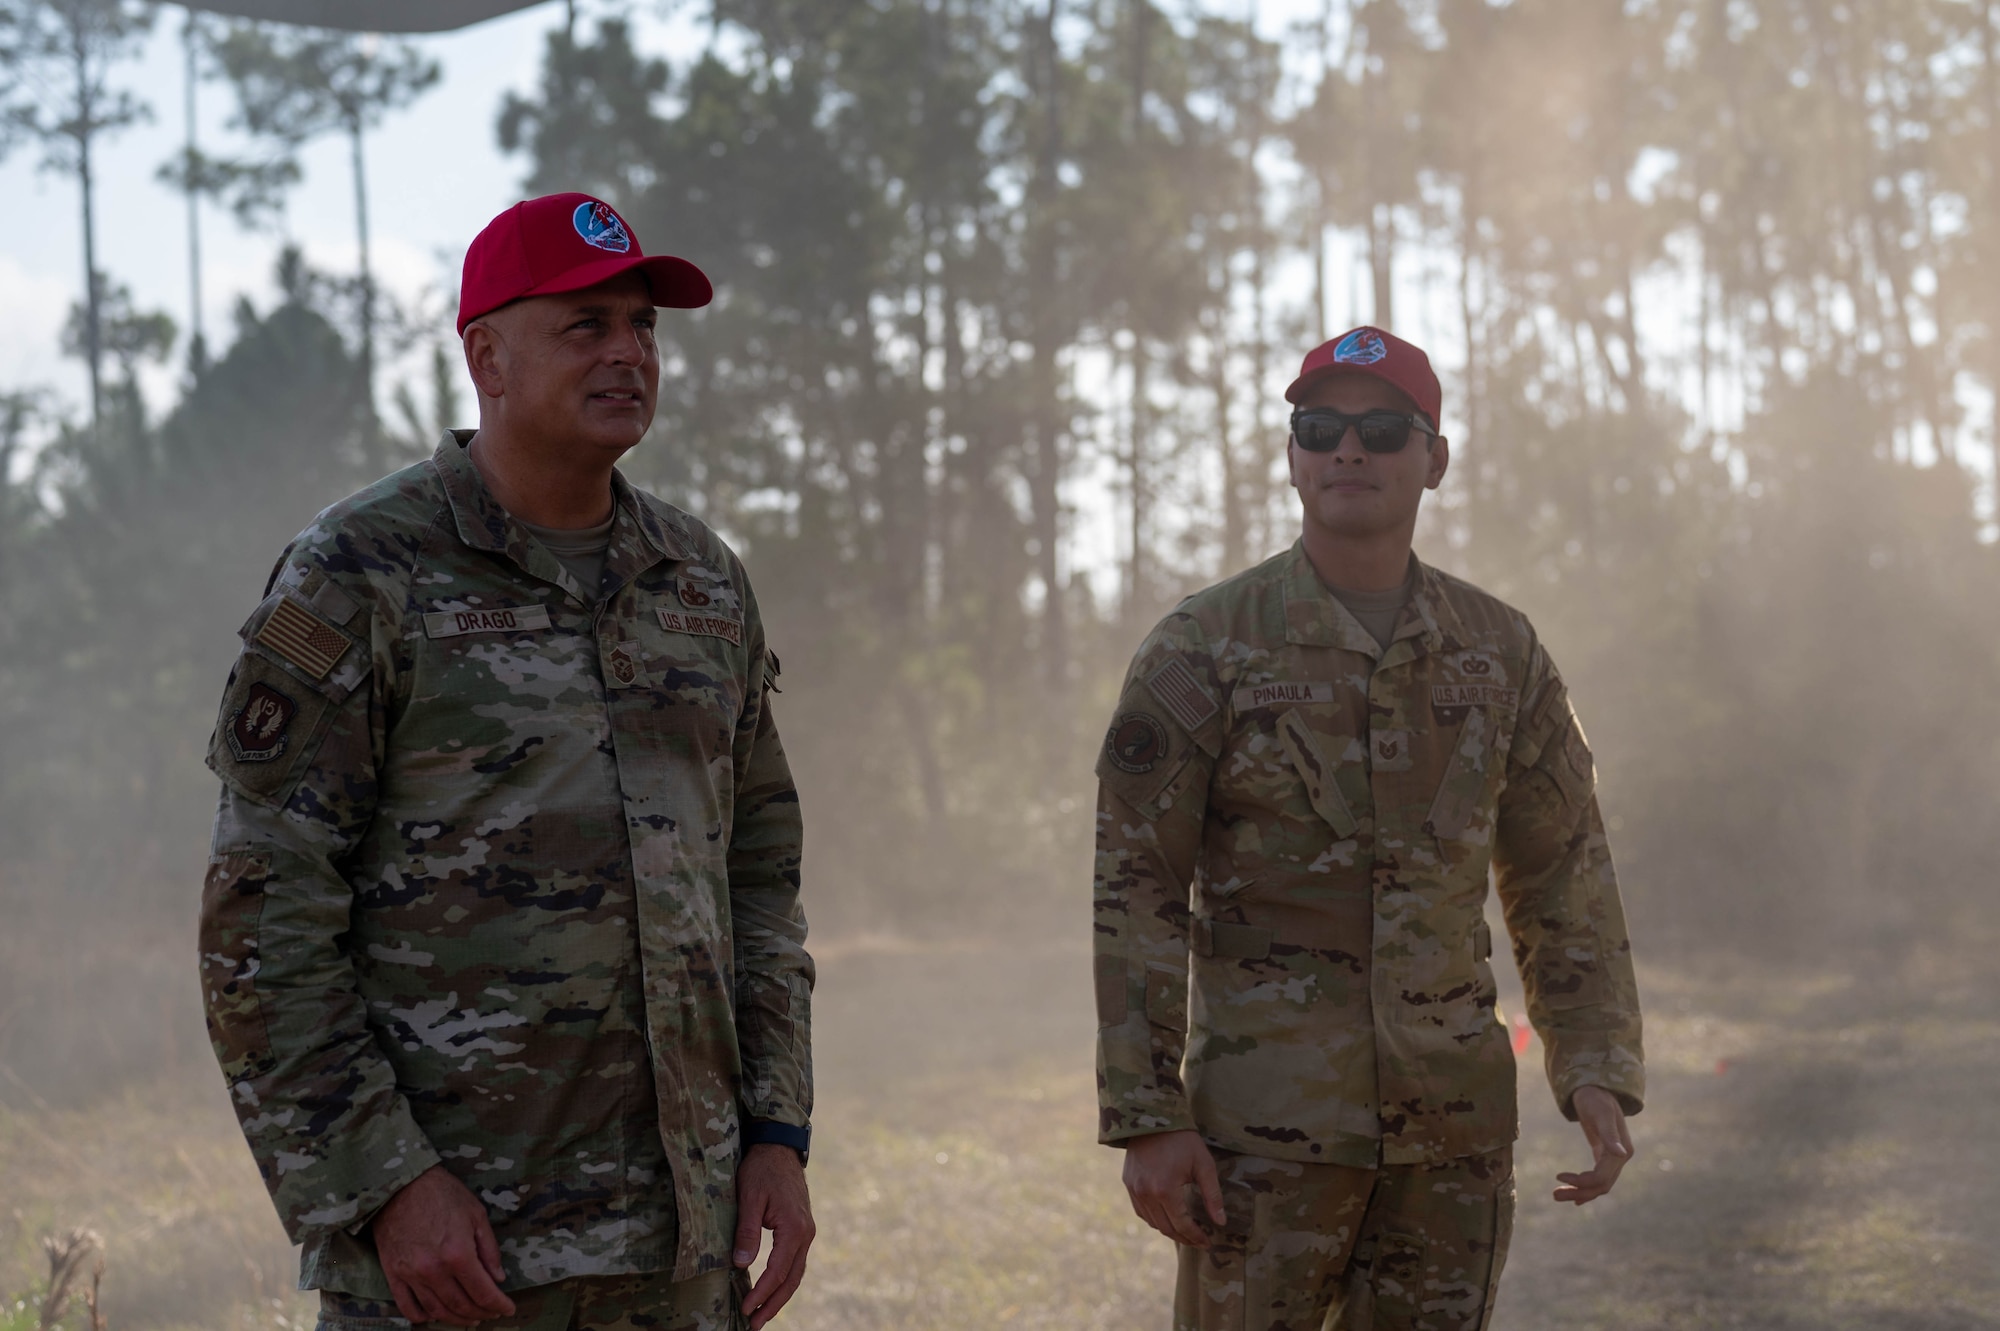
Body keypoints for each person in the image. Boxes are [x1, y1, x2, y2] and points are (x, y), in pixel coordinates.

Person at [198, 193, 814, 1331]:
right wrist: (382, 1184)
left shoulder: (701, 581)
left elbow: (759, 878)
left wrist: (775, 1131)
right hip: (455, 1264)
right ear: (484, 352)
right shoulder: (358, 571)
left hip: (682, 1249)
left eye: (643, 325)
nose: (628, 350)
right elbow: (260, 921)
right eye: (586, 325)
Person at [1091, 326, 1644, 1329]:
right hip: (1263, 1140)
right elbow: (1135, 888)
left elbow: (1562, 874)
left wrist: (1593, 1065)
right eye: (1321, 427)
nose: (1349, 450)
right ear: (1292, 455)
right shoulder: (1206, 647)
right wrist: (1144, 1114)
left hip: (1451, 1138)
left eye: (1383, 429)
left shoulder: (1498, 652)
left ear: (1432, 459)